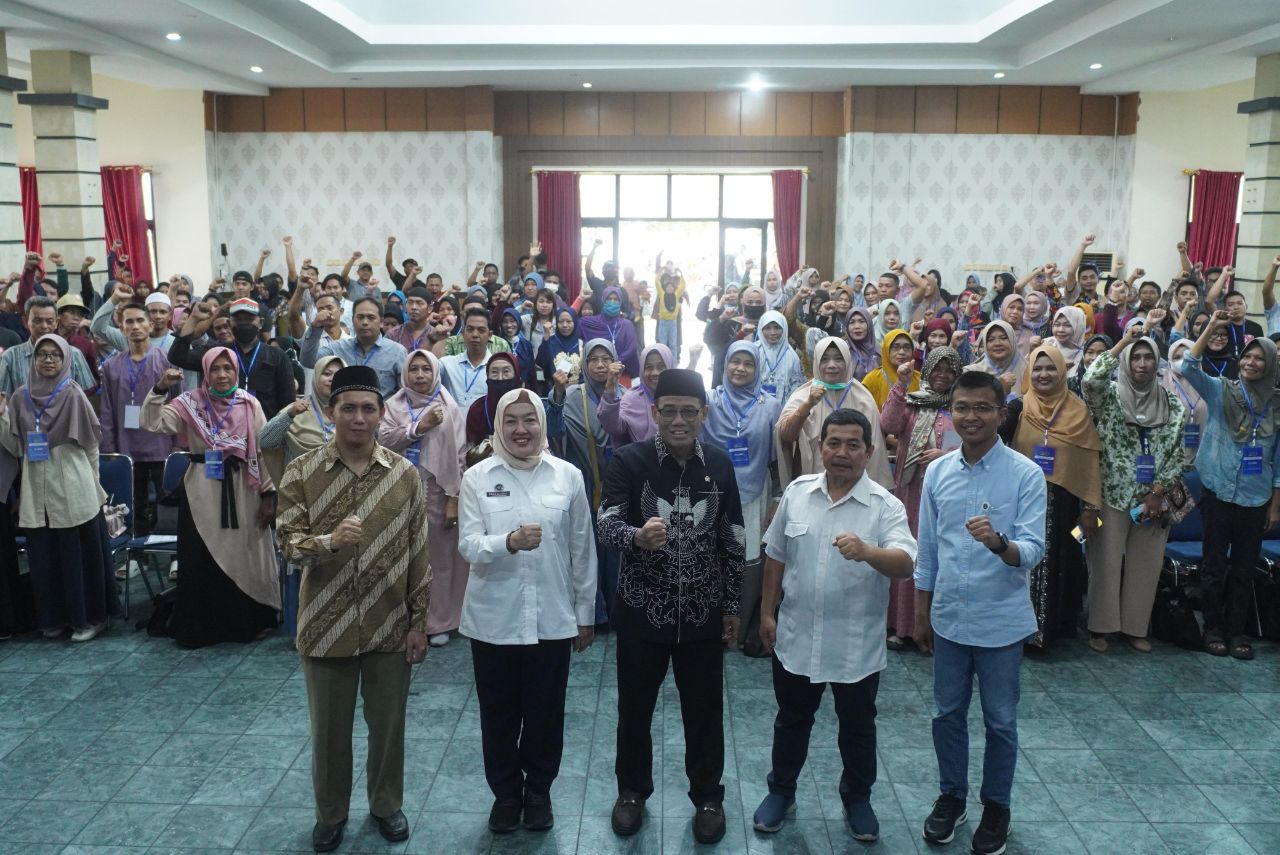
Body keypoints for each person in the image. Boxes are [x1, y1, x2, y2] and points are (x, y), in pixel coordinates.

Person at [275, 364, 430, 852]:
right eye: (348, 409)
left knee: (388, 727)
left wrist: (419, 623)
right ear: (330, 412)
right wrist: (329, 541)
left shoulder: (404, 475)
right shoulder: (303, 472)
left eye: (367, 409)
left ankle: (386, 805)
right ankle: (330, 814)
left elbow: (419, 553)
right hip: (325, 624)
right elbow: (287, 544)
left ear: (381, 413)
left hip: (390, 622)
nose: (358, 418)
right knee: (329, 732)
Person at [752, 408, 917, 840]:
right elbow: (775, 555)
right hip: (797, 636)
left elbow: (905, 564)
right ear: (819, 446)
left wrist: (868, 552)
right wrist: (767, 612)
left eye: (853, 445)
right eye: (834, 443)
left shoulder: (884, 506)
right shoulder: (797, 494)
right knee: (792, 720)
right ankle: (781, 791)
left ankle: (857, 798)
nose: (842, 453)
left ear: (869, 450)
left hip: (855, 644)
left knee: (858, 727)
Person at [597, 368, 745, 845]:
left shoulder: (719, 464)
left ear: (704, 414)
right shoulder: (629, 461)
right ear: (654, 413)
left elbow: (733, 537)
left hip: (702, 613)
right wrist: (636, 536)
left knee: (704, 712)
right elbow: (606, 523)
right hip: (643, 610)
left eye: (688, 411)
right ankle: (631, 792)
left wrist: (732, 605)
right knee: (634, 710)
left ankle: (708, 797)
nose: (679, 420)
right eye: (669, 411)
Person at [913, 370, 1047, 855]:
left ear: (1001, 414)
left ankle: (996, 807)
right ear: (950, 412)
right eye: (962, 408)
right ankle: (952, 796)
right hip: (949, 617)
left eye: (983, 408)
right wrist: (922, 610)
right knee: (946, 714)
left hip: (1001, 621)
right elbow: (928, 549)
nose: (971, 417)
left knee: (1000, 721)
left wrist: (998, 543)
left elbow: (1032, 550)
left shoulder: (1026, 474)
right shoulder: (937, 472)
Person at [457, 387, 597, 833]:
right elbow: (468, 545)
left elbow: (582, 548)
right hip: (492, 620)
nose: (521, 429)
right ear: (499, 426)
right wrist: (508, 542)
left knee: (544, 716)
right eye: (511, 421)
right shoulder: (477, 478)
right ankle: (505, 795)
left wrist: (585, 614)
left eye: (530, 419)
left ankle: (538, 792)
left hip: (551, 619)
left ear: (542, 423)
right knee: (498, 716)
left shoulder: (567, 476)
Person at [142, 349, 280, 648]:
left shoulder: (249, 404)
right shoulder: (190, 403)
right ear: (205, 372)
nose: (221, 375)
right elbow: (152, 423)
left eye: (227, 368)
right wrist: (160, 388)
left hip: (242, 489)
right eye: (214, 369)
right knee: (201, 557)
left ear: (236, 371)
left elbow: (263, 451)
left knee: (242, 556)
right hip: (201, 492)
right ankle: (202, 629)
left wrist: (268, 495)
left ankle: (243, 624)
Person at [0, 334, 116, 642]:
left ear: (65, 360)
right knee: (45, 556)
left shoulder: (73, 395)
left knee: (77, 554)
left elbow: (91, 447)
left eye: (55, 355)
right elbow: (16, 447)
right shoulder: (20, 397)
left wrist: (94, 487)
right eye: (42, 354)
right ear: (34, 359)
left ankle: (89, 619)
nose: (48, 360)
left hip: (73, 483)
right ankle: (55, 618)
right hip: (36, 485)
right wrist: (1, 418)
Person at [1182, 311, 1280, 661]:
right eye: (1248, 357)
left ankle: (1237, 631)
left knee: (1243, 568)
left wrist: (1275, 503)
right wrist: (1211, 327)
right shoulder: (1221, 389)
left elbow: (1279, 460)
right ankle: (1212, 628)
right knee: (1213, 566)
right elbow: (1187, 366)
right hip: (1218, 489)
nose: (1252, 363)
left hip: (1256, 496)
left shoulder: (1276, 403)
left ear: (1270, 365)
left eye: (1259, 359)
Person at [1081, 327, 1185, 653]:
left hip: (1153, 499)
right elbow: (1090, 380)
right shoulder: (1110, 396)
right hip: (1110, 493)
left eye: (1148, 357)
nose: (1141, 363)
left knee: (1147, 565)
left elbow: (1177, 452)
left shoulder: (1172, 403)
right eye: (1135, 357)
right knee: (1104, 562)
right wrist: (1124, 341)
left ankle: (1135, 627)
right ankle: (1100, 626)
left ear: (1157, 363)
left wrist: (1158, 491)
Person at [999, 345, 1104, 648]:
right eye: (1038, 368)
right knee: (1021, 561)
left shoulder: (1078, 410)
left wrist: (1091, 509)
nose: (1044, 374)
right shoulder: (1018, 408)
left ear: (1062, 372)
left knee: (1064, 562)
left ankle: (1052, 631)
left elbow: (1090, 462)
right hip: (1022, 503)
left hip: (1066, 507)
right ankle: (1018, 631)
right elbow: (996, 442)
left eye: (1051, 368)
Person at [878, 346, 964, 650]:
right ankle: (901, 626)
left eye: (949, 371)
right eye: (937, 369)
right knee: (909, 550)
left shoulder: (961, 407)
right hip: (912, 491)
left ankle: (934, 627)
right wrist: (901, 385)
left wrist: (946, 455)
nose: (942, 375)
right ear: (926, 371)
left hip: (949, 494)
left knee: (940, 552)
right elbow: (888, 425)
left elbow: (975, 443)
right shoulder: (913, 402)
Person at [381, 350, 467, 648]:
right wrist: (419, 427)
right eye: (414, 369)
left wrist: (454, 499)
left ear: (435, 373)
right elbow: (383, 439)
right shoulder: (393, 405)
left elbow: (460, 455)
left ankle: (438, 621)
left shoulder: (448, 406)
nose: (419, 375)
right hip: (397, 491)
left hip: (436, 493)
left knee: (439, 561)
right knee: (400, 558)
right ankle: (403, 620)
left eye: (426, 369)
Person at [545, 339, 620, 622]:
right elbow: (554, 430)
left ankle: (617, 610)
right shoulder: (572, 395)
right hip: (583, 480)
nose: (600, 365)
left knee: (617, 545)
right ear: (585, 364)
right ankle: (592, 612)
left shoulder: (626, 396)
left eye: (605, 359)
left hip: (617, 481)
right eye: (593, 359)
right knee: (585, 545)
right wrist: (558, 393)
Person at [99, 303, 177, 535]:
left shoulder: (166, 360)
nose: (135, 326)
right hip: (126, 445)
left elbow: (178, 403)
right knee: (132, 501)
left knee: (167, 498)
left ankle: (167, 547)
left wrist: (178, 443)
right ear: (121, 328)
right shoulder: (111, 365)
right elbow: (107, 409)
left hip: (161, 443)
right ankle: (134, 547)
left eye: (140, 320)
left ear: (150, 325)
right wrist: (109, 447)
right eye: (129, 322)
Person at [702, 341, 782, 566]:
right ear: (725, 364)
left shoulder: (771, 406)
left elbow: (777, 458)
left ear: (757, 369)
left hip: (755, 491)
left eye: (749, 364)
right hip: (713, 490)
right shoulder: (709, 401)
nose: (740, 368)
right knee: (713, 556)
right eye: (735, 362)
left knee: (747, 556)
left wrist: (777, 499)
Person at [777, 337, 892, 489]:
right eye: (824, 359)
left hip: (855, 484)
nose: (831, 365)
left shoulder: (863, 398)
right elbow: (785, 436)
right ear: (816, 362)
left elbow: (874, 449)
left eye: (838, 359)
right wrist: (807, 405)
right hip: (812, 485)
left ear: (848, 362)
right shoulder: (803, 396)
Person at [170, 298, 297, 418]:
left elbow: (288, 402)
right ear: (230, 323)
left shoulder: (277, 356)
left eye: (249, 319)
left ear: (261, 323)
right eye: (238, 320)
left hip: (266, 429)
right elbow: (177, 357)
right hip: (223, 430)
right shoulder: (217, 352)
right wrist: (193, 319)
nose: (244, 324)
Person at [301, 297, 408, 398]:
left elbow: (404, 393)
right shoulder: (337, 348)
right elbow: (308, 361)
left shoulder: (397, 352)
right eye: (360, 317)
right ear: (352, 320)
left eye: (371, 317)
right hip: (343, 409)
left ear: (381, 322)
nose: (365, 322)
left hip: (382, 410)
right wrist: (316, 327)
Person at [0, 295, 96, 394]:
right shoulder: (10, 357)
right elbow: (3, 397)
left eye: (49, 321)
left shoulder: (74, 354)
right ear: (25, 322)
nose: (44, 326)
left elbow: (88, 394)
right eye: (37, 321)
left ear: (56, 323)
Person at [598, 343, 672, 448]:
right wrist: (610, 386)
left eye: (661, 367)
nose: (655, 372)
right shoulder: (632, 398)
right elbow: (612, 426)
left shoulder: (680, 396)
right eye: (649, 367)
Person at [465, 352, 523, 464]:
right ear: (487, 377)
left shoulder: (528, 406)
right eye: (494, 373)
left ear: (516, 375)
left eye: (506, 372)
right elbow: (471, 447)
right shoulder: (477, 409)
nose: (500, 378)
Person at [439, 309, 495, 409]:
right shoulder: (447, 364)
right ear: (463, 333)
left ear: (490, 335)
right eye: (470, 329)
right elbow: (426, 368)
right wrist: (434, 339)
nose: (475, 335)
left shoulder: (496, 368)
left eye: (481, 330)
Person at [580, 286, 640, 378]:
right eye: (609, 299)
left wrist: (613, 364)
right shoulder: (591, 323)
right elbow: (570, 318)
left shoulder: (627, 325)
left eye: (616, 299)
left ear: (620, 302)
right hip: (597, 373)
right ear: (603, 301)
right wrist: (580, 299)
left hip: (621, 373)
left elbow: (630, 349)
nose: (612, 302)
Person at [755, 310, 806, 402]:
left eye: (777, 328)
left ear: (784, 328)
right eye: (767, 328)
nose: (773, 332)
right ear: (760, 329)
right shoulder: (754, 351)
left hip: (784, 406)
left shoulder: (792, 357)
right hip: (756, 405)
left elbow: (797, 387)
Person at [862, 328, 920, 410]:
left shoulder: (919, 379)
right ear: (886, 350)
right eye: (896, 347)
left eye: (907, 347)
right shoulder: (872, 379)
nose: (902, 352)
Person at [967, 321, 1027, 400]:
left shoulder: (1028, 370)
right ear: (985, 344)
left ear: (1012, 340)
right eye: (991, 339)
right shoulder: (971, 374)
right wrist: (998, 386)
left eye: (1003, 338)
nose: (997, 343)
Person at [535, 306, 582, 387]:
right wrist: (545, 339)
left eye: (569, 321)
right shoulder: (550, 341)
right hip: (553, 390)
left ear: (575, 322)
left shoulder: (581, 345)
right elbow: (540, 365)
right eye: (560, 322)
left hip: (577, 391)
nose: (564, 325)